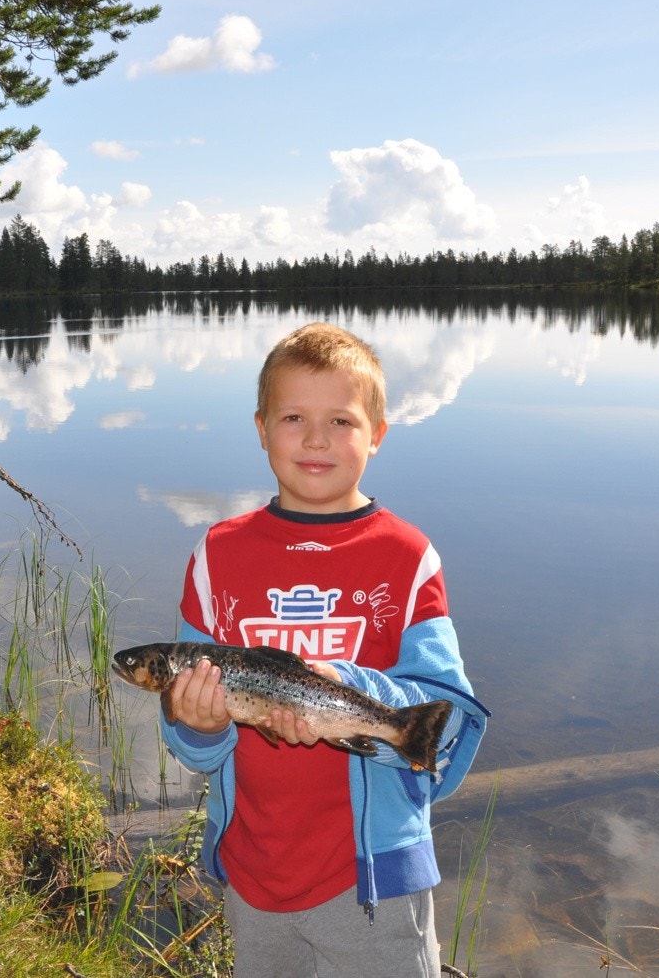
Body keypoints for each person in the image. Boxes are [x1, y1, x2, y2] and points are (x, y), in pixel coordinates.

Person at [160, 322, 490, 978]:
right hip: (255, 869)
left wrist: (347, 688)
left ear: (378, 433)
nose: (316, 438)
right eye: (293, 417)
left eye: (341, 419)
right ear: (260, 428)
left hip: (371, 877)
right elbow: (195, 739)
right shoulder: (216, 555)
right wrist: (197, 723)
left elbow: (448, 719)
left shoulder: (406, 555)